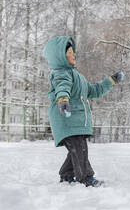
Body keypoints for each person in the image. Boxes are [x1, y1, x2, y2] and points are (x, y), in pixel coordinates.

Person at [43, 36, 125, 186]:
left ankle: (67, 174)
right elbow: (62, 87)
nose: (73, 54)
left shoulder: (77, 76)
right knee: (80, 148)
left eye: (73, 52)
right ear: (60, 56)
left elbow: (93, 91)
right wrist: (63, 100)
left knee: (76, 149)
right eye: (69, 52)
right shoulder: (61, 73)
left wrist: (110, 81)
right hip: (67, 119)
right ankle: (86, 177)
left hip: (76, 120)